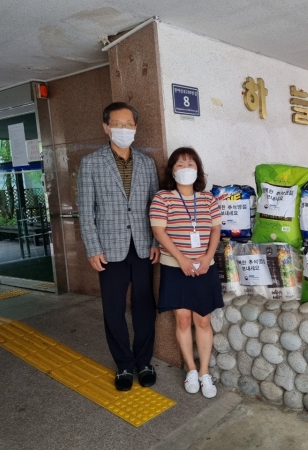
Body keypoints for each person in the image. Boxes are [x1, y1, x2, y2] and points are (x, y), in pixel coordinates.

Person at [77, 102, 160, 391]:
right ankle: (124, 365)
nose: (123, 129)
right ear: (106, 127)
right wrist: (92, 247)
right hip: (108, 249)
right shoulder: (91, 163)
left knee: (144, 306)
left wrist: (154, 242)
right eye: (117, 123)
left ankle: (144, 361)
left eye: (129, 124)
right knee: (113, 308)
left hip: (142, 247)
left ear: (135, 127)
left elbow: (154, 208)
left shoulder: (147, 164)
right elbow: (86, 211)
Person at [149, 147, 224, 398]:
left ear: (198, 170)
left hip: (204, 267)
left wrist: (207, 257)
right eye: (179, 165)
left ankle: (204, 372)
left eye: (190, 164)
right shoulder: (162, 198)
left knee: (202, 320)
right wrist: (181, 259)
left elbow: (215, 231)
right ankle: (190, 369)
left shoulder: (208, 199)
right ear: (172, 170)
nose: (185, 169)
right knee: (182, 319)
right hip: (175, 267)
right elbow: (159, 231)